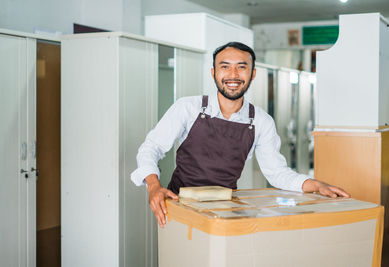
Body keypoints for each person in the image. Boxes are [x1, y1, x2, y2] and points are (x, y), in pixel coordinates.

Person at [131, 42, 350, 227]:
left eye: (241, 67)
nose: (233, 75)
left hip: (226, 210)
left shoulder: (261, 122)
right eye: (224, 67)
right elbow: (152, 148)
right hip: (179, 206)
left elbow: (277, 173)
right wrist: (153, 186)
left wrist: (316, 185)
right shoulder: (188, 108)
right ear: (214, 72)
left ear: (252, 73)